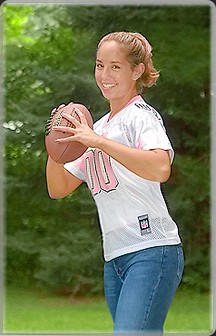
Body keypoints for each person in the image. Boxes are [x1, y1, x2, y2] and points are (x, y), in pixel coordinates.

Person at [46, 31, 184, 334]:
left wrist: (97, 141)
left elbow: (160, 167)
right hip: (115, 259)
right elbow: (58, 188)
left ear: (136, 70)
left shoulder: (141, 116)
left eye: (115, 66)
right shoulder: (96, 128)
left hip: (152, 250)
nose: (104, 75)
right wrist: (56, 143)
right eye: (99, 65)